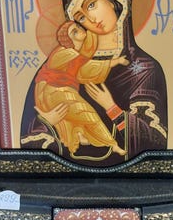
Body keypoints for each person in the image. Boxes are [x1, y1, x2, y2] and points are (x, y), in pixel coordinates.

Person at [20, 0, 168, 166]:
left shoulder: (143, 69)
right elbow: (30, 142)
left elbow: (155, 142)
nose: (90, 19)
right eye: (80, 17)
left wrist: (112, 108)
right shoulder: (59, 67)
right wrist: (48, 122)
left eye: (91, 5)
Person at [34, 20, 128, 156]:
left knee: (78, 117)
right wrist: (116, 61)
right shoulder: (64, 53)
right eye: (74, 31)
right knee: (89, 115)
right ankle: (113, 145)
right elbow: (88, 66)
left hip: (65, 91)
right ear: (68, 39)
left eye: (78, 26)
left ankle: (79, 133)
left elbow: (85, 70)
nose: (80, 29)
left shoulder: (75, 56)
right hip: (55, 92)